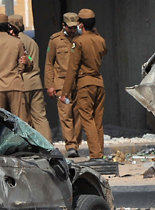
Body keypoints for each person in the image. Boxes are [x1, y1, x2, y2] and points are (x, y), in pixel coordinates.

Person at [60, 8, 107, 159]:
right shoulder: (100, 40)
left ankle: (95, 153)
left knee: (87, 119)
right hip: (99, 83)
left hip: (85, 84)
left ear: (80, 25)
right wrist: (96, 33)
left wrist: (65, 92)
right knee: (98, 120)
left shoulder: (78, 42)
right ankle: (99, 151)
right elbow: (104, 50)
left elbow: (72, 68)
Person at [45, 12, 83, 157]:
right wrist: (50, 84)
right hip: (61, 83)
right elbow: (49, 63)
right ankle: (71, 146)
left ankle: (76, 144)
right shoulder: (55, 40)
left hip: (78, 82)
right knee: (66, 115)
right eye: (70, 27)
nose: (72, 30)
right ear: (63, 25)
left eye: (74, 27)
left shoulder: (81, 38)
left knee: (78, 116)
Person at [10, 14, 51, 141]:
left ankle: (26, 144)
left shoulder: (15, 42)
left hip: (22, 83)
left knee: (21, 118)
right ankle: (48, 144)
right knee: (40, 117)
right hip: (35, 83)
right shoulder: (32, 41)